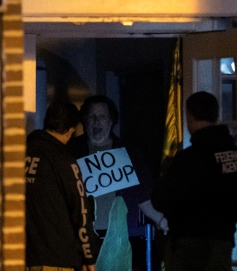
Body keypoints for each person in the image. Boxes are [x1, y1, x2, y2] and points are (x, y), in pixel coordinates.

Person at [67, 95, 167, 270]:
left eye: (102, 116)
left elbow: (142, 195)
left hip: (120, 239)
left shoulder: (128, 153)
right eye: (92, 116)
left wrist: (162, 220)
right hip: (81, 242)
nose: (96, 121)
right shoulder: (70, 153)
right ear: (84, 120)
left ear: (111, 121)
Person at [151, 91, 237, 271]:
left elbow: (161, 200)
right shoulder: (236, 155)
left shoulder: (190, 158)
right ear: (216, 115)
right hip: (223, 242)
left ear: (190, 116)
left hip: (189, 247)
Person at [25, 100, 100, 271]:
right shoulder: (64, 161)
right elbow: (80, 211)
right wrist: (89, 257)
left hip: (23, 258)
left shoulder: (19, 154)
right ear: (71, 129)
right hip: (57, 259)